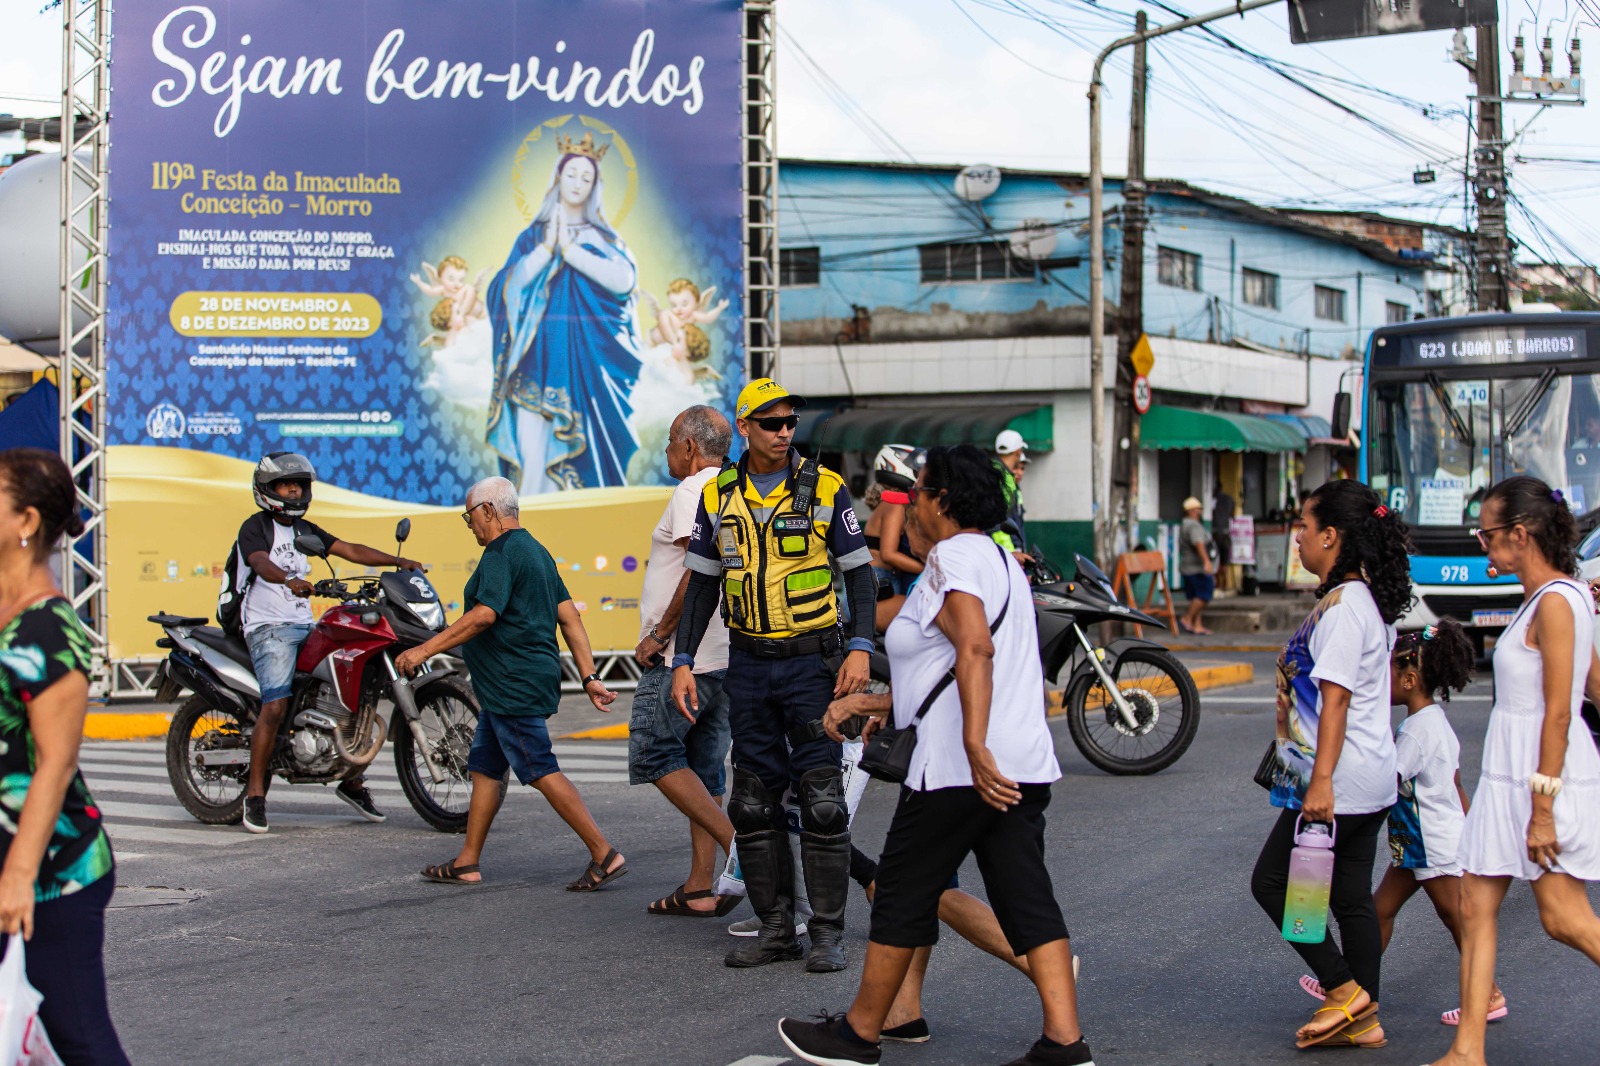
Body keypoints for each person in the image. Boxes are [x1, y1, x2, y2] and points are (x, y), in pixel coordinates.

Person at [779, 444, 1090, 1066]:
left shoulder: (953, 557)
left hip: (960, 768)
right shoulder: (998, 558)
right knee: (1027, 897)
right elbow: (944, 663)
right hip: (1019, 764)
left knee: (899, 889)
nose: (910, 504)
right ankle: (1065, 1041)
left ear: (942, 501)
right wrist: (867, 708)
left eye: (917, 492)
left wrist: (973, 745)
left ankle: (859, 1033)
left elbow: (974, 649)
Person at [672, 377, 877, 972]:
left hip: (813, 665)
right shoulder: (719, 496)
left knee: (821, 803)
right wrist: (683, 660)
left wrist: (860, 648)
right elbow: (705, 583)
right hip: (750, 667)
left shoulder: (826, 489)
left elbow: (860, 576)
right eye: (771, 423)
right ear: (745, 428)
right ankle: (776, 928)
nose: (784, 432)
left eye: (789, 422)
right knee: (754, 804)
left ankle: (828, 933)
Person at [1428, 477, 1600, 1066]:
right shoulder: (1561, 595)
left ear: (1520, 535)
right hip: (1512, 776)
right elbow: (1596, 684)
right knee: (1475, 904)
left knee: (1563, 919)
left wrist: (1544, 809)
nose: (1483, 544)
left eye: (1488, 533)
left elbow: (1560, 710)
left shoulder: (1557, 600)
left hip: (1539, 779)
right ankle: (1467, 1051)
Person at [397, 476, 627, 891]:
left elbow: (484, 615)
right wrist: (589, 676)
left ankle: (603, 853)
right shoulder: (536, 551)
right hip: (514, 683)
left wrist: (423, 650)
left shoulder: (500, 553)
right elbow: (570, 618)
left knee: (539, 767)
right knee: (484, 767)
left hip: (512, 682)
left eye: (469, 516)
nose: (469, 525)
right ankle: (468, 861)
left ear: (489, 510)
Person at [1250, 479, 1412, 1051]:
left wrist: (1319, 785)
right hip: (1367, 777)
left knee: (1273, 884)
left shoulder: (1345, 609)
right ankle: (1364, 1019)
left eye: (1303, 526)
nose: (1297, 538)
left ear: (1332, 536)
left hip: (1337, 782)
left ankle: (1344, 990)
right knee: (1346, 898)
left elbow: (1337, 698)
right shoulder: (1360, 601)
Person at [1299, 620, 1508, 1026]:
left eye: (1389, 673)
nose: (1382, 682)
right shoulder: (1433, 723)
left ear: (1410, 679)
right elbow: (1456, 783)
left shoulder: (1416, 732)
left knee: (1458, 919)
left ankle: (1490, 994)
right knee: (1379, 912)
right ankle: (1345, 984)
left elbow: (1386, 782)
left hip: (1432, 844)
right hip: (1418, 845)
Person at [0, 449, 129, 1064]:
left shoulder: (48, 628)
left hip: (52, 872)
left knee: (79, 1037)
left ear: (25, 521)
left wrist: (20, 875)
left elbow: (55, 760)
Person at [235, 451, 423, 834]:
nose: (295, 490)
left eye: (300, 485)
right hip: (268, 627)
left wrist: (397, 563)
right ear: (267, 489)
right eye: (287, 484)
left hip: (304, 625)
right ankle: (255, 795)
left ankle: (350, 779)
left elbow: (349, 549)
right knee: (275, 705)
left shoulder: (306, 531)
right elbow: (259, 562)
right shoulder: (255, 527)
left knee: (359, 690)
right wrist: (289, 580)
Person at [485, 130, 643, 493]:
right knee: (532, 453)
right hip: (534, 365)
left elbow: (623, 280)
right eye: (571, 174)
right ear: (558, 177)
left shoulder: (602, 238)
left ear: (595, 187)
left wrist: (571, 251)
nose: (577, 183)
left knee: (582, 456)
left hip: (586, 369)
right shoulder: (533, 236)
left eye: (586, 178)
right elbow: (503, 290)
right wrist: (546, 250)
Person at [629, 405, 739, 917]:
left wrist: (662, 635)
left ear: (690, 448)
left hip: (683, 659)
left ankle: (739, 852)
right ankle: (699, 887)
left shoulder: (694, 489)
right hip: (721, 656)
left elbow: (697, 573)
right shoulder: (735, 488)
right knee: (704, 768)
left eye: (671, 441)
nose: (667, 451)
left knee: (653, 752)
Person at [872, 444, 924, 595]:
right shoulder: (895, 506)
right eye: (916, 469)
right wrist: (928, 569)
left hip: (880, 579)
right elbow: (888, 554)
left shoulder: (888, 504)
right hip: (880, 580)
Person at [992, 429, 1032, 564]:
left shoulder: (993, 472)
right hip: (1005, 553)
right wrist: (1012, 553)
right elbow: (999, 521)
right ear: (1018, 452)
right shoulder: (1003, 478)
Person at [1177, 496, 1215, 635]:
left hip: (1188, 566)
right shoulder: (1193, 526)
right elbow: (1198, 544)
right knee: (1204, 594)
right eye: (1198, 509)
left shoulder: (1185, 524)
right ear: (1192, 511)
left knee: (1196, 596)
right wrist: (1206, 561)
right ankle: (1187, 619)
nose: (1200, 511)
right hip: (1196, 567)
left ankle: (1197, 624)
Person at [1213, 481, 1236, 591]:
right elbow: (1233, 515)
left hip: (1215, 532)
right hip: (1226, 533)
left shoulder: (1213, 499)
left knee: (1216, 558)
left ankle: (1218, 583)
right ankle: (1225, 583)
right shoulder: (1229, 499)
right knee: (1225, 559)